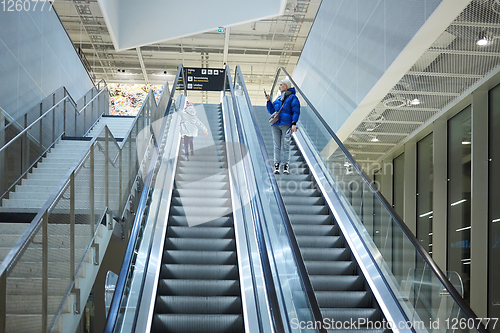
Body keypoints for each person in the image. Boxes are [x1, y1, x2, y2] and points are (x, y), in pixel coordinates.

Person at [265, 78, 300, 175]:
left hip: (286, 124)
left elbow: (296, 111)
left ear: (286, 86)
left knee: (286, 145)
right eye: (279, 85)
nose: (279, 86)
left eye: (281, 85)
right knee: (277, 146)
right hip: (276, 125)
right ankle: (276, 165)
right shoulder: (278, 98)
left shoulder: (292, 98)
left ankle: (286, 166)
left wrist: (294, 123)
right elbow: (272, 111)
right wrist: (268, 101)